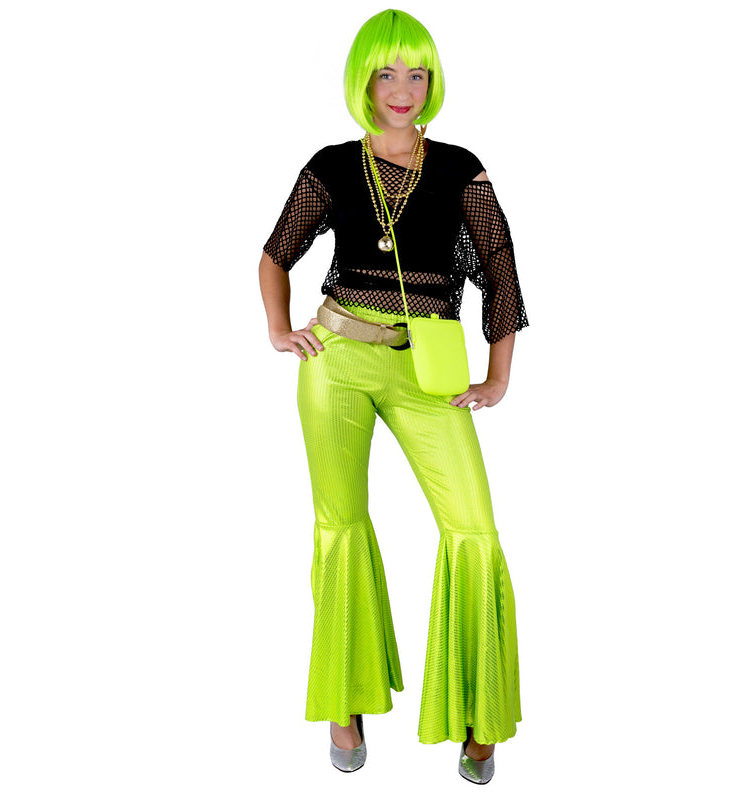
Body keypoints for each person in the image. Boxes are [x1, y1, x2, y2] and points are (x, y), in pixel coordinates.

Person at [258, 9, 528, 785]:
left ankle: (478, 715)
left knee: (473, 530)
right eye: (387, 73)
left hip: (426, 372)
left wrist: (498, 377)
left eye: (417, 73)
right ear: (363, 82)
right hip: (336, 359)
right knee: (339, 525)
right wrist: (280, 331)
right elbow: (275, 255)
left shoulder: (461, 168)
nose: (402, 89)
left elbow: (502, 271)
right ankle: (345, 701)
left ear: (432, 82)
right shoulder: (333, 166)